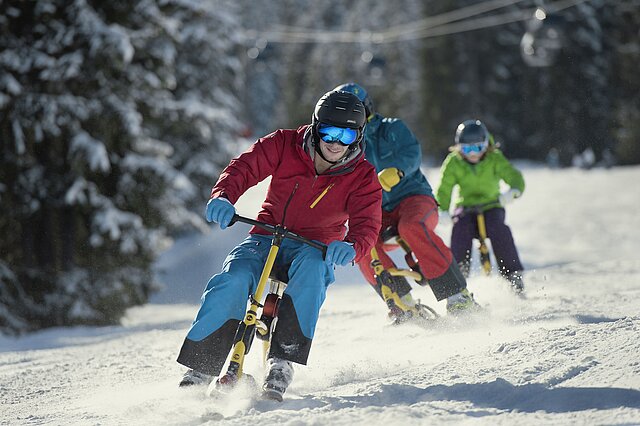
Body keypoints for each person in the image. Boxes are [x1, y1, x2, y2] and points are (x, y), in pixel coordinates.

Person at [176, 90, 382, 401]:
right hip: (265, 236)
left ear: (358, 136)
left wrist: (354, 246)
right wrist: (223, 196)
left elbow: (368, 223)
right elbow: (244, 167)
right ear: (315, 126)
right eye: (328, 131)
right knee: (233, 277)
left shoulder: (363, 176)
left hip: (315, 246)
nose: (335, 142)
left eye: (346, 134)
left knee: (313, 273)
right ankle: (202, 366)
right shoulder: (284, 144)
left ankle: (282, 360)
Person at [335, 82, 477, 322]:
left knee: (411, 226)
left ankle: (457, 296)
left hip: (414, 198)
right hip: (377, 209)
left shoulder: (392, 128)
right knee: (360, 244)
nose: (350, 118)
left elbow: (412, 152)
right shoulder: (343, 145)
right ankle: (401, 303)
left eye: (354, 110)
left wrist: (397, 170)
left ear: (366, 109)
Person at [436, 119, 526, 293]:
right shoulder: (454, 162)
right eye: (466, 149)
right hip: (466, 206)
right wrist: (443, 209)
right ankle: (458, 277)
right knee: (460, 230)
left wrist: (513, 191)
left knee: (499, 229)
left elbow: (514, 176)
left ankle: (513, 275)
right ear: (458, 147)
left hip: (491, 204)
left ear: (486, 145)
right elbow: (444, 188)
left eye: (477, 148)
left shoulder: (494, 158)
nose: (472, 154)